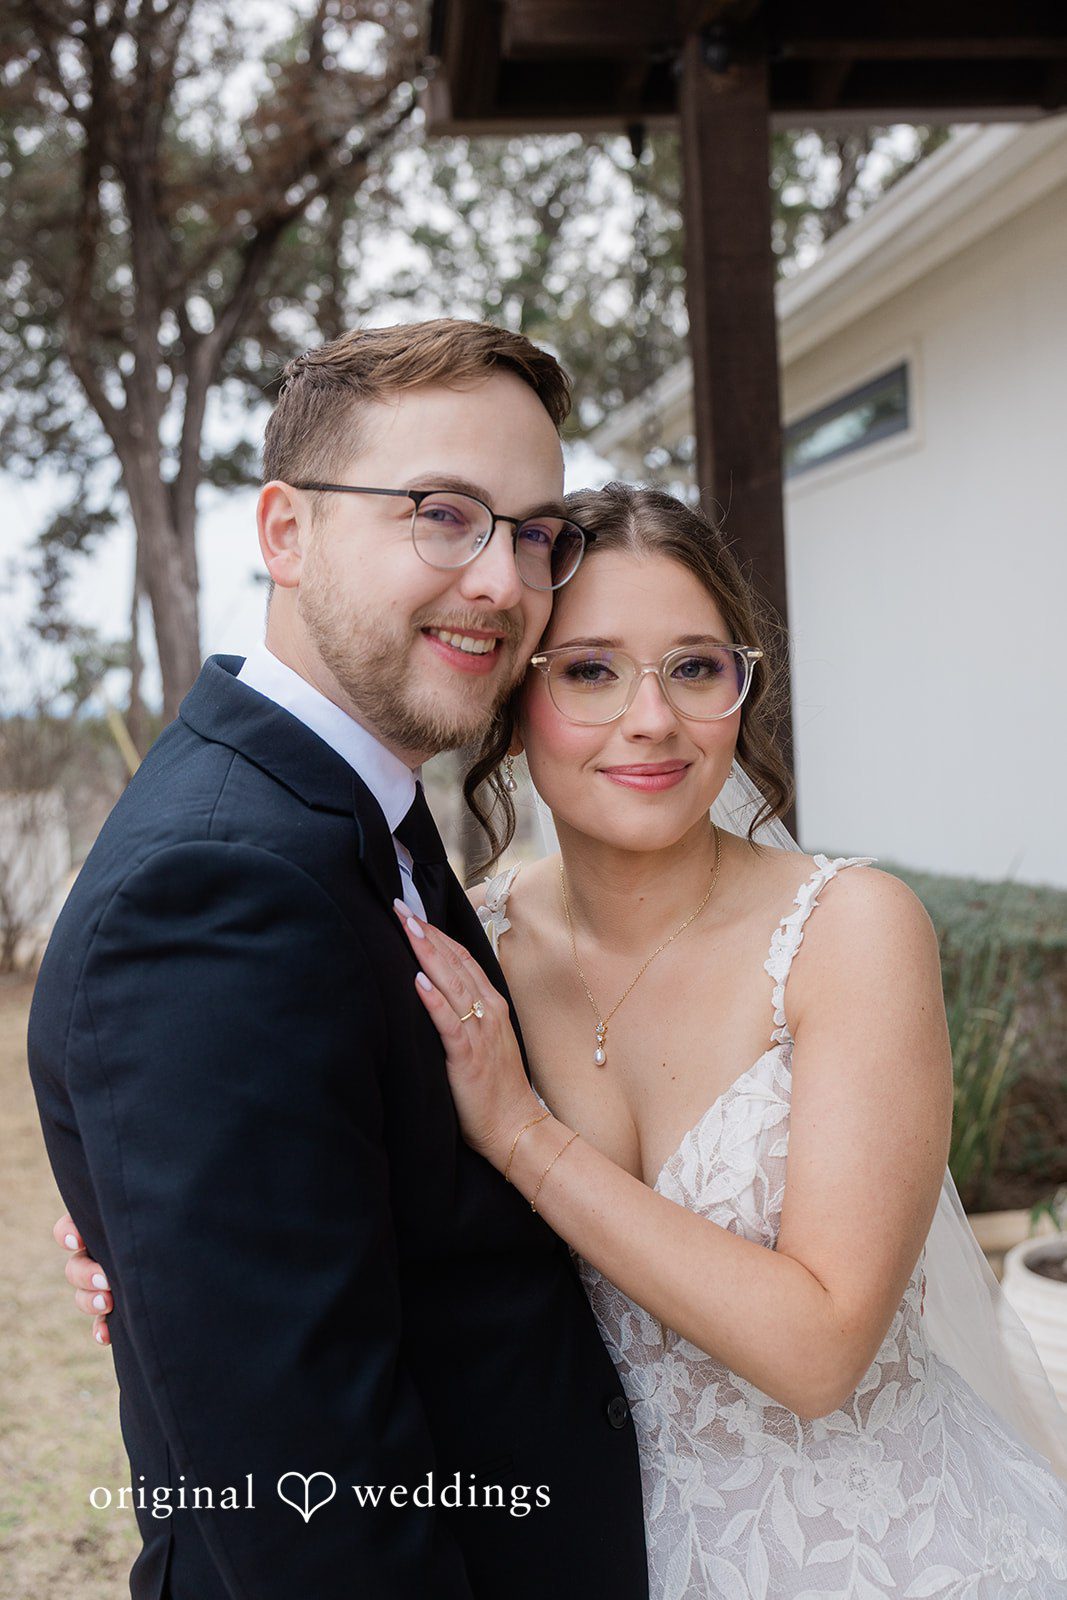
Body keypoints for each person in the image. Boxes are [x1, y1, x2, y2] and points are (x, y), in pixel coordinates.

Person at [56, 478, 1067, 1595]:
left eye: (694, 666)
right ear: (512, 693)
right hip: (589, 1550)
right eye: (588, 670)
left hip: (887, 1550)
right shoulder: (455, 943)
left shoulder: (849, 930)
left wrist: (525, 1135)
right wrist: (142, 1230)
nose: (651, 718)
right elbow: (274, 1173)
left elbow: (820, 1348)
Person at [28, 322, 648, 1600]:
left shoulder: (355, 810)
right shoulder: (214, 892)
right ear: (285, 533)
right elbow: (301, 1506)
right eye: (441, 513)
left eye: (532, 532)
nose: (502, 581)